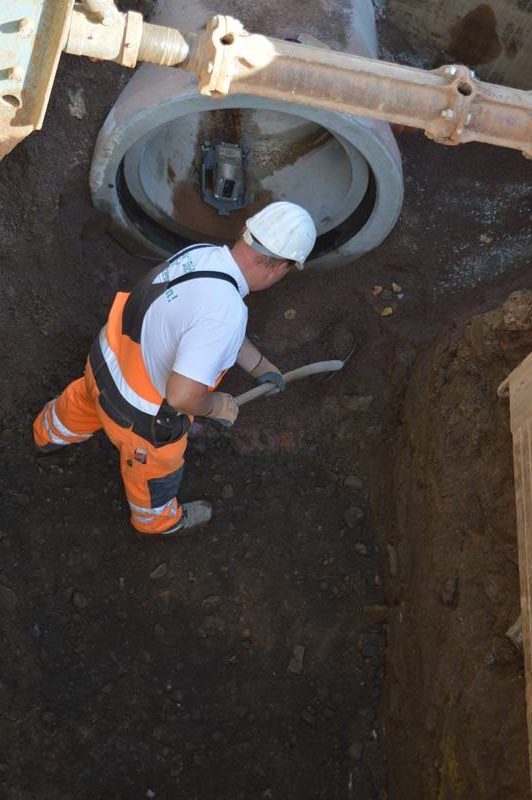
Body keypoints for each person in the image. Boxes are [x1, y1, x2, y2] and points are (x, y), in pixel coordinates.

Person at [33, 201, 317, 537]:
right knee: (154, 474)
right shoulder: (225, 312)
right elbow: (182, 396)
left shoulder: (202, 256)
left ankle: (45, 435)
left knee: (79, 402)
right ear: (280, 266)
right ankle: (157, 522)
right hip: (138, 420)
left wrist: (259, 365)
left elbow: (203, 326)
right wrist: (216, 406)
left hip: (104, 363)